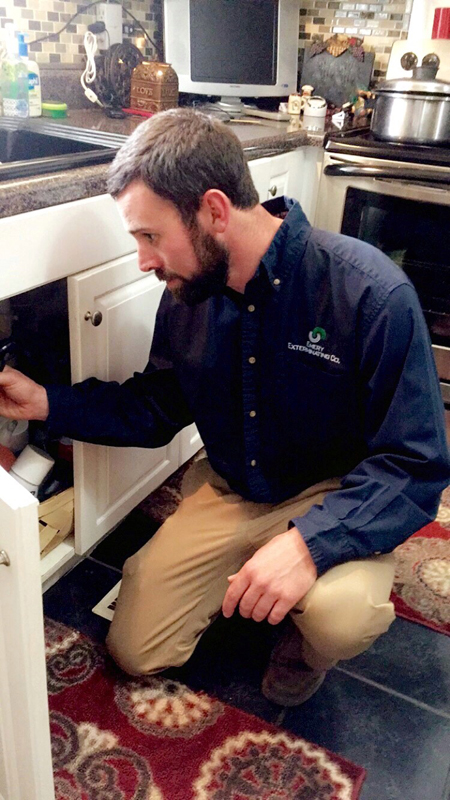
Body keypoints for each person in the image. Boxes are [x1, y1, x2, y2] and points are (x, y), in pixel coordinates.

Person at [0, 109, 448, 706]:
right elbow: (157, 407)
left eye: (150, 236)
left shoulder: (372, 293)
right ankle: (247, 570)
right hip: (234, 486)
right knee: (135, 649)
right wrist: (45, 402)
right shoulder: (188, 295)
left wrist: (311, 543)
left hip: (337, 490)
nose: (143, 260)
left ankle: (303, 641)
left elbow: (415, 466)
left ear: (213, 211)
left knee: (342, 617)